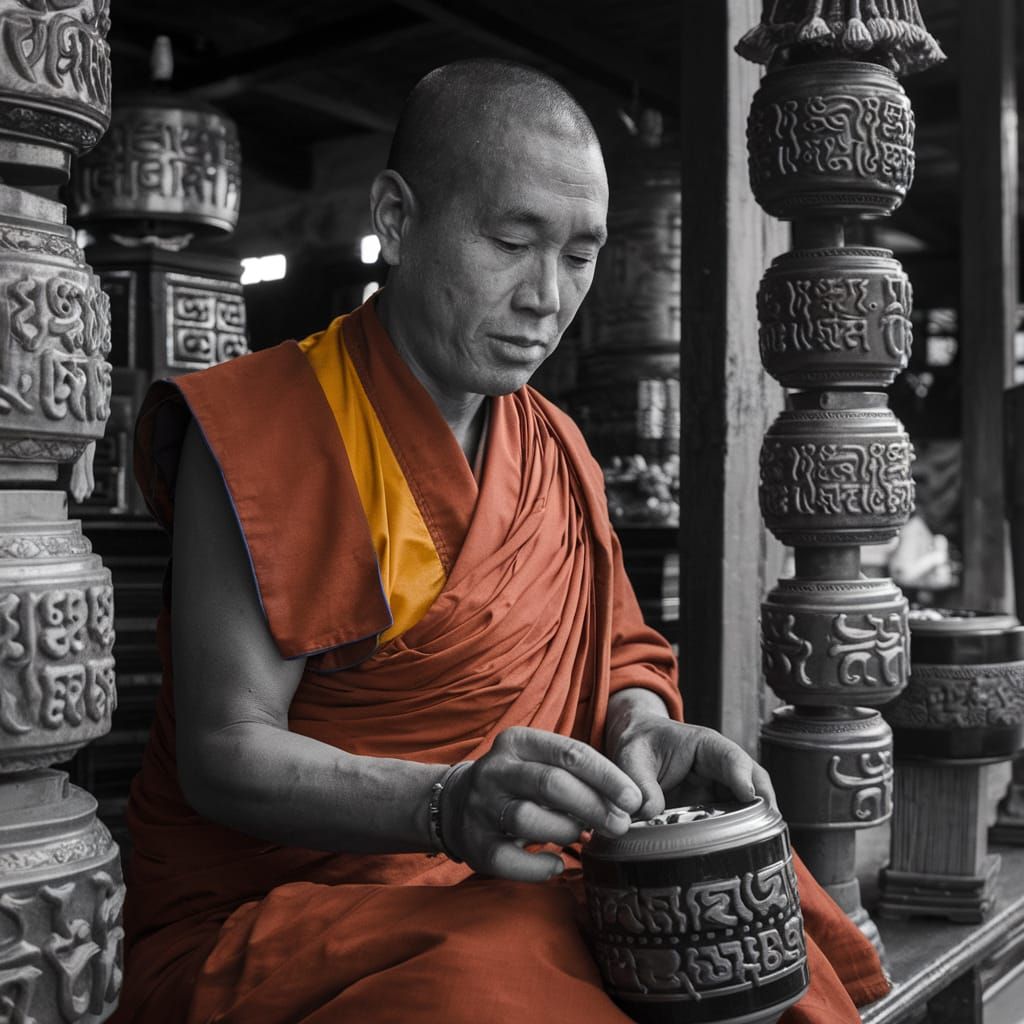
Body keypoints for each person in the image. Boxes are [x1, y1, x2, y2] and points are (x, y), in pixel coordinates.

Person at [111, 59, 888, 1023]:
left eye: (580, 255)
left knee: (755, 938)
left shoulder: (555, 445)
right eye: (512, 242)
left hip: (518, 876)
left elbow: (621, 655)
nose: (547, 297)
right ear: (397, 218)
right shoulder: (261, 427)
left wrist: (646, 730)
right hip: (292, 912)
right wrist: (446, 805)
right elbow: (225, 751)